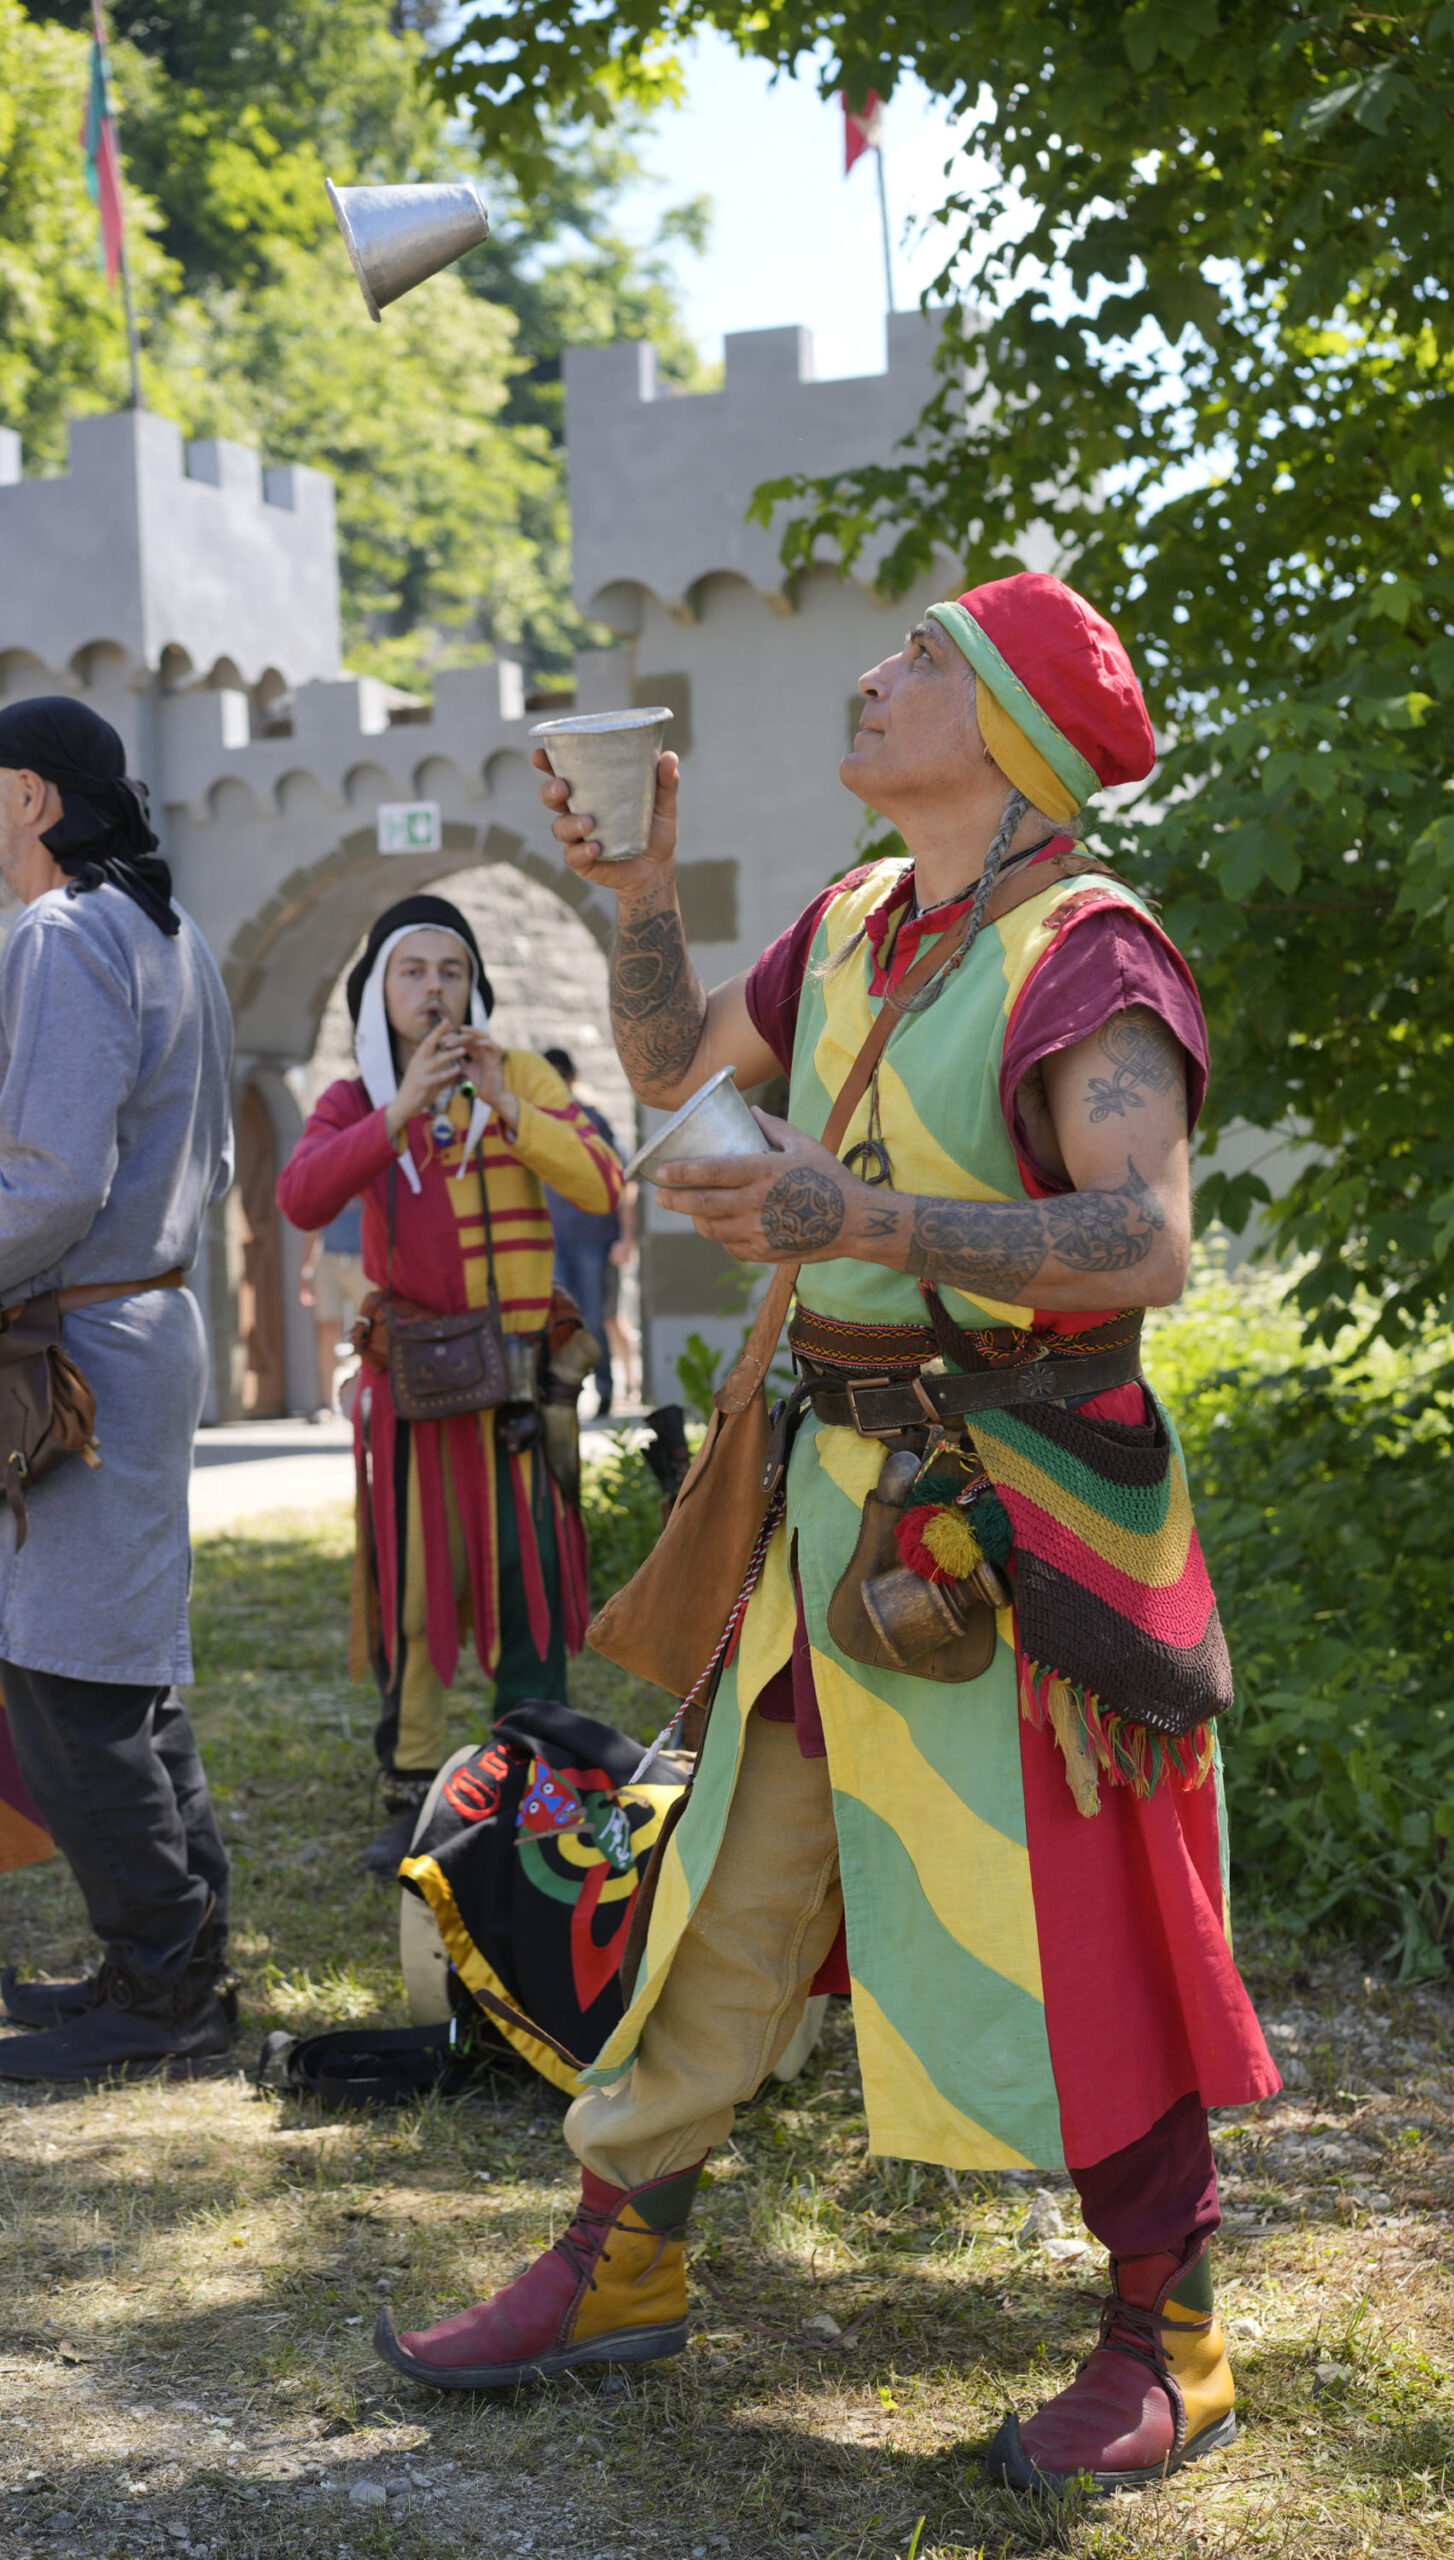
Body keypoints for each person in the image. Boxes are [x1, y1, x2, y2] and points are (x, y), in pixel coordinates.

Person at [378, 575, 1281, 2492]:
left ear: (1014, 731)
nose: (876, 675)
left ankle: (1172, 2335)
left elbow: (1143, 1242)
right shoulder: (858, 919)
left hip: (1019, 1520)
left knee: (1080, 1910)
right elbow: (669, 1068)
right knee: (725, 1873)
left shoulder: (1090, 955)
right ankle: (620, 2254)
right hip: (832, 1506)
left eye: (926, 656)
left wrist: (856, 1224)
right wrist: (638, 885)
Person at [276, 895, 625, 1874]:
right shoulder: (354, 1097)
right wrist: (397, 1111)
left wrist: (508, 1106)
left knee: (527, 1580)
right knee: (415, 1589)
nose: (435, 989)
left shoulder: (523, 1076)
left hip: (520, 1388)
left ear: (476, 987)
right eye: (414, 971)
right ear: (377, 991)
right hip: (417, 1392)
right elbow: (301, 1195)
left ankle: (535, 1783)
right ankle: (415, 1788)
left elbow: (602, 1183)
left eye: (453, 970)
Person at [0, 696, 237, 2084]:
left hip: (81, 1340)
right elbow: (199, 1165)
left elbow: (48, 1186)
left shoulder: (64, 930)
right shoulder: (169, 928)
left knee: (61, 1672)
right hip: (139, 1321)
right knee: (123, 1668)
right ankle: (178, 1967)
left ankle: (162, 2000)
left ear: (31, 796)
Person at [540, 1047, 630, 1418]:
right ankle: (566, 1397)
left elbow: (622, 1179)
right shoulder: (533, 1123)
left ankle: (605, 1390)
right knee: (561, 1322)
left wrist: (626, 1238)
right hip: (554, 1239)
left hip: (593, 1237)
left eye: (560, 1075)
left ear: (572, 1078)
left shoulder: (593, 1121)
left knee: (593, 1317)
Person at [298, 1198, 365, 1420]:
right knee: (327, 1330)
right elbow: (314, 1225)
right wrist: (307, 1268)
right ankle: (328, 1403)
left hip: (364, 1258)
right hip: (328, 1258)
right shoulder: (328, 1181)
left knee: (368, 1330)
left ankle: (366, 1396)